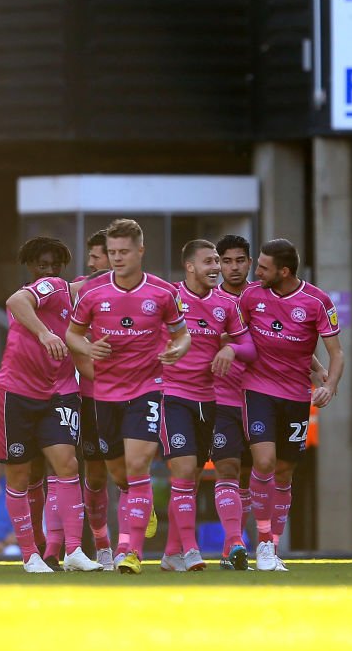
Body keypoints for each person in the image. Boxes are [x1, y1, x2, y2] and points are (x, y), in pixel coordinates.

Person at [67, 218, 191, 575]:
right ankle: (140, 506)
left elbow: (182, 335)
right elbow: (72, 335)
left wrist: (177, 350)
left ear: (140, 251)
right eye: (112, 252)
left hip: (147, 388)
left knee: (138, 466)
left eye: (123, 252)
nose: (117, 258)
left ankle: (130, 551)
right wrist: (89, 347)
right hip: (103, 393)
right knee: (119, 474)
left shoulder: (163, 293)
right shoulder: (92, 294)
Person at [0, 236, 102, 573]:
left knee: (67, 465)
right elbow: (14, 300)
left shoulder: (88, 312)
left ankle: (74, 551)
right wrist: (44, 333)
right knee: (22, 474)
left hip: (60, 391)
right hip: (17, 392)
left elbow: (85, 363)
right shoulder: (52, 288)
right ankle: (30, 554)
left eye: (55, 265)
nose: (49, 271)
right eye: (42, 265)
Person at [237, 238, 344, 572]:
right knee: (264, 462)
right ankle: (263, 543)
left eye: (264, 267)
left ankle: (273, 548)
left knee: (284, 471)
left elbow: (336, 352)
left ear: (284, 271)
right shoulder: (251, 296)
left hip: (296, 396)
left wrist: (327, 383)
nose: (257, 271)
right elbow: (236, 336)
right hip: (256, 390)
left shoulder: (317, 301)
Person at [158, 239, 255, 573]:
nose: (216, 267)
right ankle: (191, 550)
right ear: (189, 267)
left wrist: (231, 350)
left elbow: (249, 346)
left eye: (218, 261)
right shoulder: (167, 297)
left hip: (210, 399)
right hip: (172, 395)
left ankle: (176, 553)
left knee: (202, 475)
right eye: (210, 262)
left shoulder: (226, 305)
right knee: (185, 472)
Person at [210, 234, 258, 570]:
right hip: (220, 395)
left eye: (239, 260)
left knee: (252, 474)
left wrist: (317, 372)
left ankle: (232, 548)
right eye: (226, 261)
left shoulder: (262, 298)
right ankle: (236, 543)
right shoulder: (208, 299)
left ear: (250, 262)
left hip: (260, 396)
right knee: (226, 467)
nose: (233, 267)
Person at [75, 230, 115, 570]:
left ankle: (133, 543)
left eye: (96, 257)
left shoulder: (140, 293)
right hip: (91, 398)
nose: (90, 263)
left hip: (132, 396)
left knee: (133, 469)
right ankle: (102, 545)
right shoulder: (79, 291)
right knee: (97, 475)